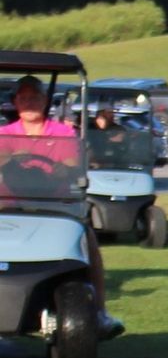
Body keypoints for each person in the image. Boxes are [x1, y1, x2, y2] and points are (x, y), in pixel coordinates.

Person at [0, 76, 122, 337]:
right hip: (8, 203)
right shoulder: (5, 134)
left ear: (44, 101)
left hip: (53, 203)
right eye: (24, 98)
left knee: (87, 241)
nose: (29, 102)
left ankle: (99, 311)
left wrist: (58, 170)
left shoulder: (63, 133)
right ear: (15, 103)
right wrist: (14, 161)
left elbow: (70, 164)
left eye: (34, 97)